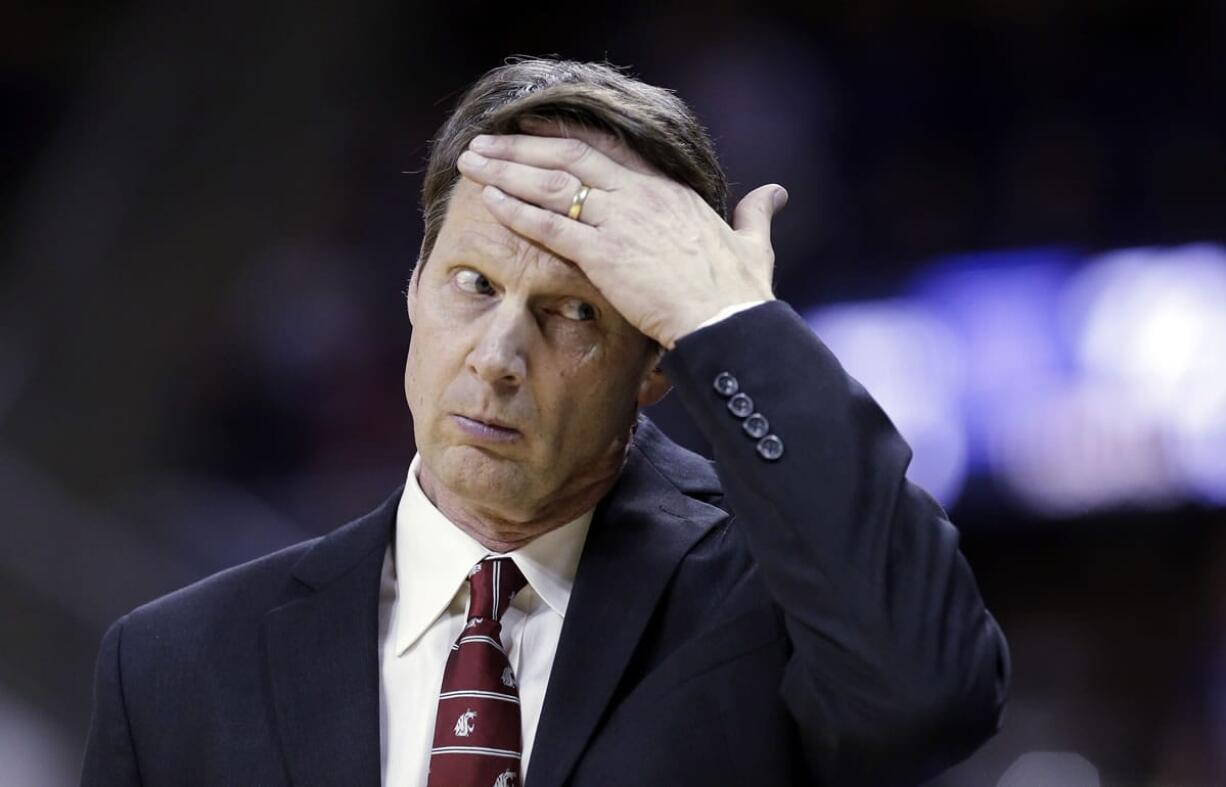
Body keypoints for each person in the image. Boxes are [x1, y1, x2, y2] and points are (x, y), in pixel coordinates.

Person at [81, 58, 1009, 786]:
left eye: (574, 313)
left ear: (656, 363)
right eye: (474, 285)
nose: (497, 355)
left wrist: (730, 324)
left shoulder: (772, 614)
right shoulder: (173, 666)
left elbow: (931, 692)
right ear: (412, 287)